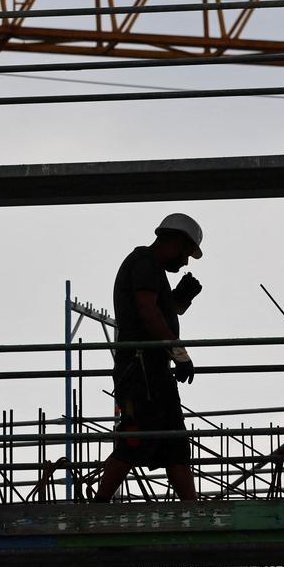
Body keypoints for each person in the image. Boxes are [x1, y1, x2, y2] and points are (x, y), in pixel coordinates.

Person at [91, 213, 204, 503]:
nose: (185, 262)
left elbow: (162, 310)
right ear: (176, 241)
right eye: (186, 253)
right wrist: (178, 353)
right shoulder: (143, 262)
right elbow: (147, 313)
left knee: (175, 445)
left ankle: (191, 510)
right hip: (141, 370)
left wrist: (181, 298)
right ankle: (98, 505)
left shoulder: (152, 271)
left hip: (153, 369)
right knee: (134, 438)